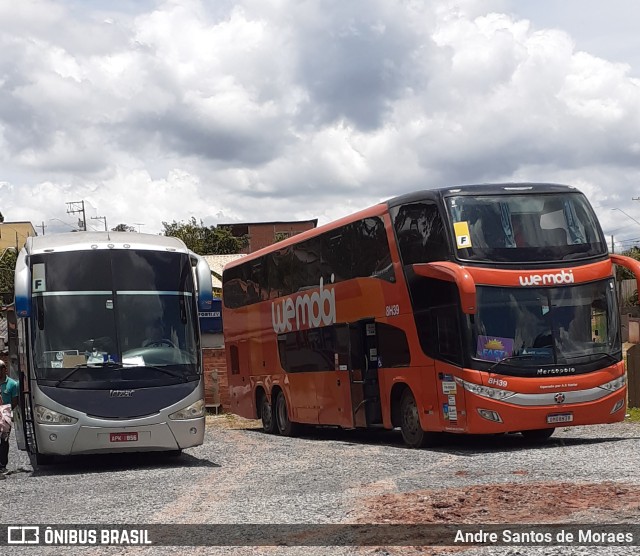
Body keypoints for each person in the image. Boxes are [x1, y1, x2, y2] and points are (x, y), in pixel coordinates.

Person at [0, 360, 18, 474]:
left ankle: (3, 464)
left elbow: (14, 401)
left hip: (5, 415)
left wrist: (6, 412)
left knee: (4, 440)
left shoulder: (12, 384)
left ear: (4, 369)